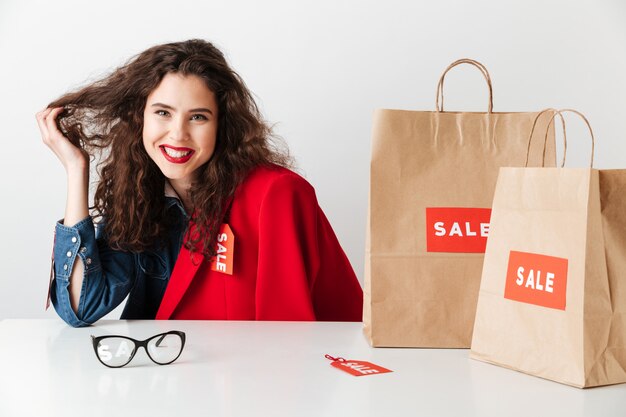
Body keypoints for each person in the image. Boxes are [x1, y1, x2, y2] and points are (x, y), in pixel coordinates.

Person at [36, 39, 363, 327]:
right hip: (162, 379)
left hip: (243, 386)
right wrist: (76, 169)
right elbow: (81, 308)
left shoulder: (276, 195)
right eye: (163, 113)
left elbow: (288, 335)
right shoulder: (138, 194)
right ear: (141, 118)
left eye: (198, 117)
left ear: (223, 124)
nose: (178, 134)